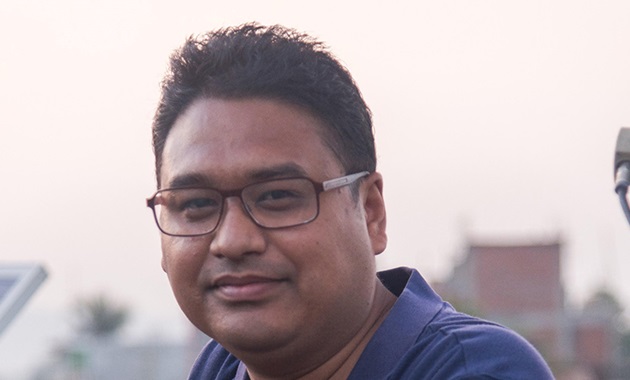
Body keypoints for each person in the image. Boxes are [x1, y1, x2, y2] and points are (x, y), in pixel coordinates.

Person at [146, 23, 554, 379]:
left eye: (277, 196)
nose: (232, 241)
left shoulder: (472, 369)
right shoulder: (220, 366)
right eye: (196, 205)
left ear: (371, 213)